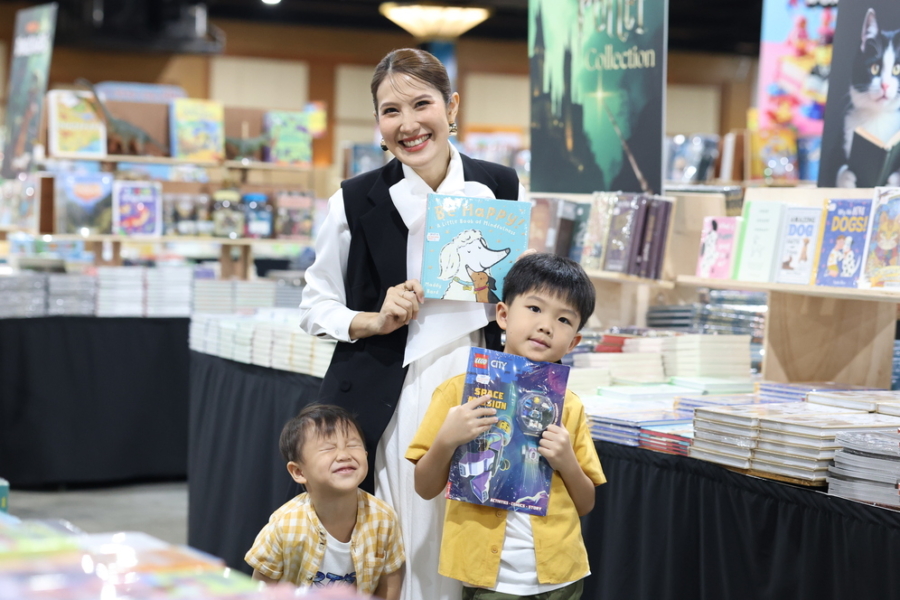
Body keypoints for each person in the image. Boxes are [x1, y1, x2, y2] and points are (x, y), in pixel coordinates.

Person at [298, 48, 524, 600]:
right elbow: (314, 304)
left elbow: (515, 286)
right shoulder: (355, 199)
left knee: (477, 530)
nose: (408, 124)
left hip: (481, 378)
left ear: (451, 107)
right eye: (390, 111)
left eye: (421, 104)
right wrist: (374, 318)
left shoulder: (500, 184)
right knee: (411, 538)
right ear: (378, 122)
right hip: (397, 386)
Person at [406, 253, 606, 600]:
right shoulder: (457, 393)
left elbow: (586, 502)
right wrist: (446, 440)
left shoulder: (569, 406)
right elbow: (424, 487)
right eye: (534, 308)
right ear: (502, 314)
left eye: (563, 319)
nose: (546, 325)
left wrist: (567, 462)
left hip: (561, 574)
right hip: (489, 580)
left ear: (574, 341)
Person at [245, 404, 405, 599]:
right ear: (299, 471)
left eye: (353, 445)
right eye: (328, 448)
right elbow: (260, 590)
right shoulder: (284, 525)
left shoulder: (384, 519)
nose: (344, 455)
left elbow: (390, 587)